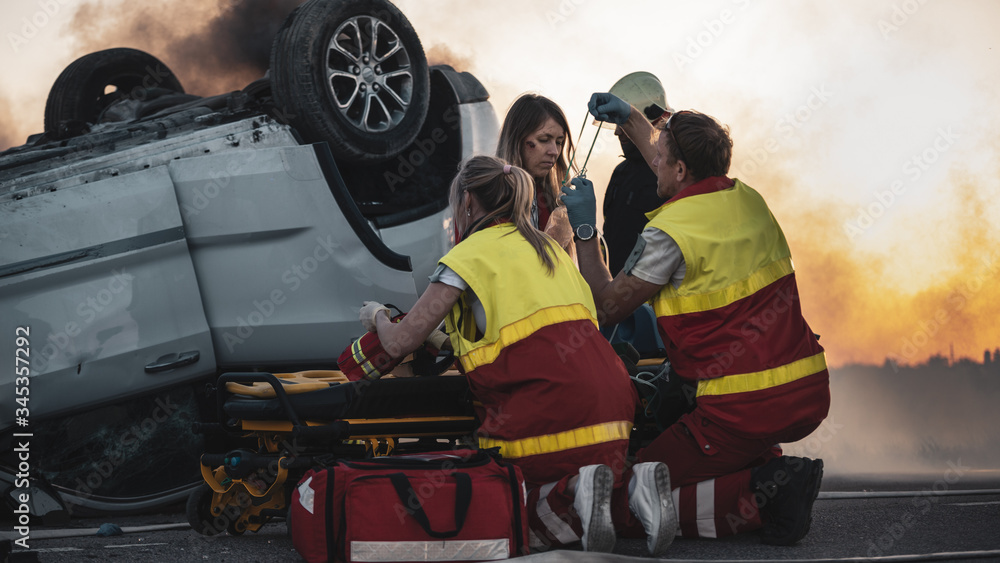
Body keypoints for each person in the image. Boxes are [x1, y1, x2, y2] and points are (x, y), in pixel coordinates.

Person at [358, 155, 677, 556]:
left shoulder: (466, 258)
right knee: (599, 488)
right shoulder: (552, 251)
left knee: (513, 515)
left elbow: (400, 343)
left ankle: (575, 492)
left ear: (469, 200)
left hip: (545, 413)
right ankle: (633, 487)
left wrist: (377, 316)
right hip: (614, 411)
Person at [560, 93, 830, 545]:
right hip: (806, 392)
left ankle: (765, 498)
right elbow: (677, 164)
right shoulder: (748, 200)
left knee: (628, 497)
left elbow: (606, 306)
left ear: (679, 170)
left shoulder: (669, 234)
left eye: (661, 159)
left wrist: (585, 230)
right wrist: (630, 118)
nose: (654, 164)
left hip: (740, 407)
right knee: (702, 463)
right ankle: (770, 471)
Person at [601, 72, 670, 275]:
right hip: (616, 291)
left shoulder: (671, 175)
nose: (617, 133)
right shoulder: (620, 173)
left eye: (625, 124)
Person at [496, 94, 576, 255]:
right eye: (544, 139)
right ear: (517, 139)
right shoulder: (490, 196)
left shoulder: (550, 198)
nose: (554, 152)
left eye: (559, 142)